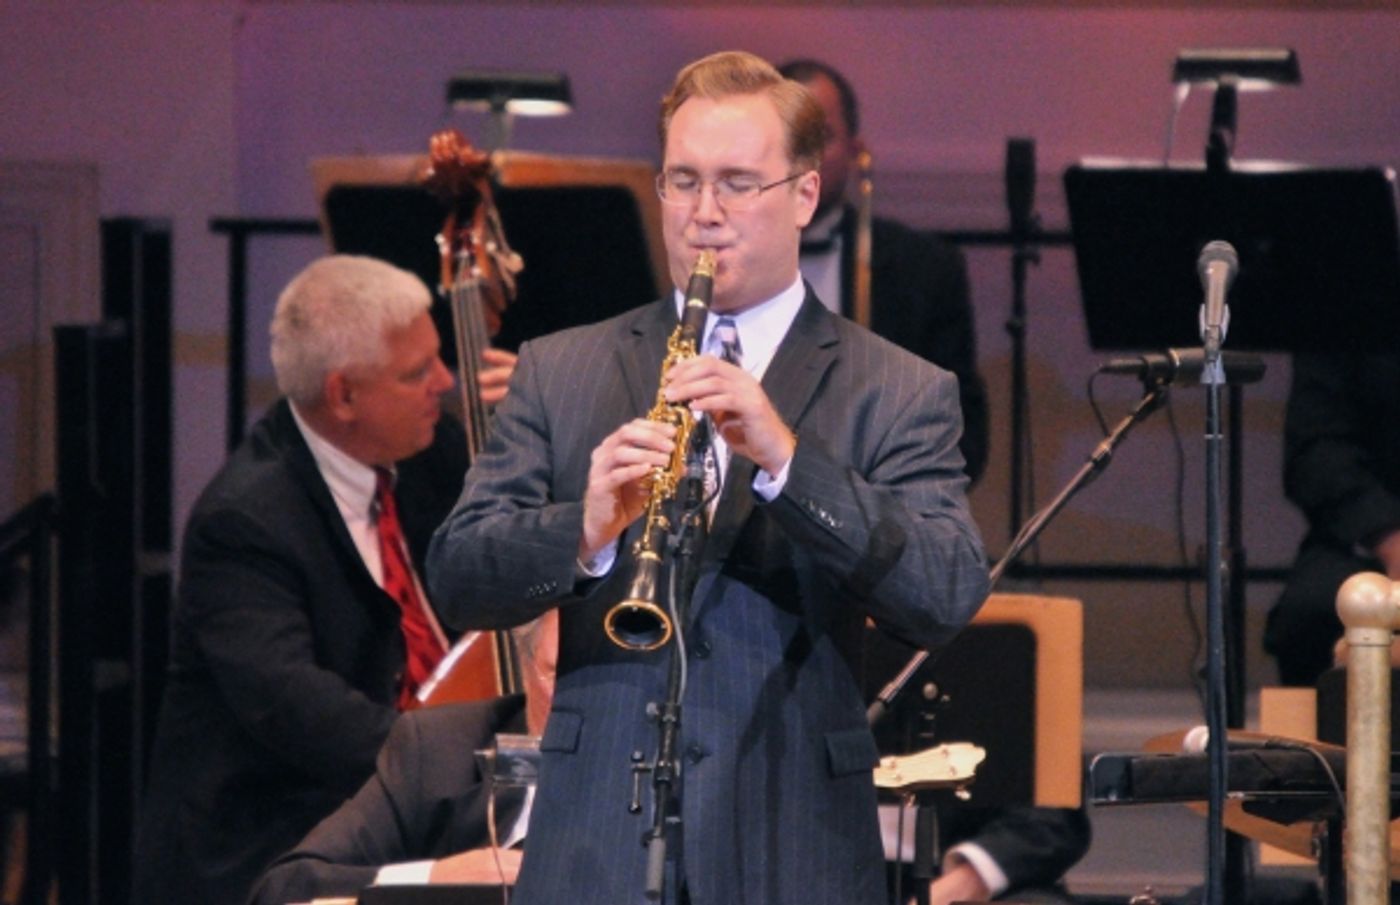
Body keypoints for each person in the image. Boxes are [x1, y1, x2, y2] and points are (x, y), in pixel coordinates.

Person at [427, 50, 989, 905]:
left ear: (804, 194)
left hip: (790, 841)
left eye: (736, 183)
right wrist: (584, 527)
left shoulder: (899, 388)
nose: (704, 215)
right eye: (682, 182)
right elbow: (459, 578)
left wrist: (787, 462)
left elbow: (944, 592)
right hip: (593, 847)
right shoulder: (561, 368)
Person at [134, 254, 471, 905]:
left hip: (391, 819)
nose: (446, 380)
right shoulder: (244, 521)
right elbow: (297, 709)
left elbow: (490, 591)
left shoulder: (434, 452)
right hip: (270, 852)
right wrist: (453, 765)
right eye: (416, 372)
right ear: (343, 394)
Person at [249, 612, 558, 905]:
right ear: (525, 665)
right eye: (559, 674)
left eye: (605, 686)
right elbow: (284, 890)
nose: (582, 704)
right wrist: (433, 879)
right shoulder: (443, 748)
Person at [776, 58, 989, 484]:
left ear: (857, 152)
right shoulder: (717, 257)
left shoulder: (924, 270)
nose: (803, 161)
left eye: (821, 139)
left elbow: (964, 435)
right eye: (787, 140)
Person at [1265, 350, 1400, 687]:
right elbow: (1317, 448)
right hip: (1374, 535)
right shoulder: (1353, 311)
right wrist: (1389, 538)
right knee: (1307, 617)